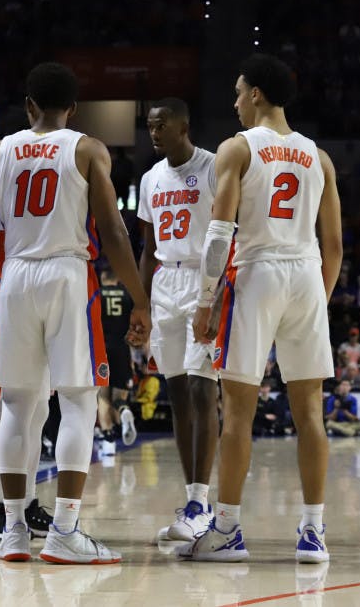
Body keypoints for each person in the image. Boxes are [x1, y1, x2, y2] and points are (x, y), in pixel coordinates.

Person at [0, 62, 151, 564]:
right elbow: (113, 231)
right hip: (68, 275)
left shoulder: (1, 152)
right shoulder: (88, 148)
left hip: (16, 280)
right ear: (74, 108)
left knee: (17, 409)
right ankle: (66, 531)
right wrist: (139, 299)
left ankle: (13, 531)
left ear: (28, 105)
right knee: (77, 402)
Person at [183, 53, 343, 564]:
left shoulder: (237, 149)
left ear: (256, 93)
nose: (233, 102)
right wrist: (320, 299)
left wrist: (205, 301)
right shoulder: (319, 157)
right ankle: (313, 531)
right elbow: (335, 245)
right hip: (307, 274)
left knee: (237, 414)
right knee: (310, 412)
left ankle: (227, 529)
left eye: (237, 92)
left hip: (257, 273)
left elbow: (217, 238)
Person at [136, 97, 219, 542]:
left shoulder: (212, 167)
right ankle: (193, 499)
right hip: (165, 283)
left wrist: (219, 292)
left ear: (183, 125)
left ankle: (201, 500)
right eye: (150, 126)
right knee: (177, 394)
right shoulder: (150, 178)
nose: (154, 133)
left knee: (204, 389)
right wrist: (141, 303)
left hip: (203, 282)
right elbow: (148, 249)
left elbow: (229, 234)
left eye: (161, 125)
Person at [0, 232, 54, 541]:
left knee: (39, 410)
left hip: (37, 301)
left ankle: (27, 502)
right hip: (3, 302)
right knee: (0, 410)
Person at [96, 264, 137, 456]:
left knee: (103, 396)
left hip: (102, 349)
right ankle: (123, 411)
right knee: (119, 397)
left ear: (102, 277)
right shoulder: (127, 295)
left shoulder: (97, 295)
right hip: (122, 349)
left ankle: (109, 440)